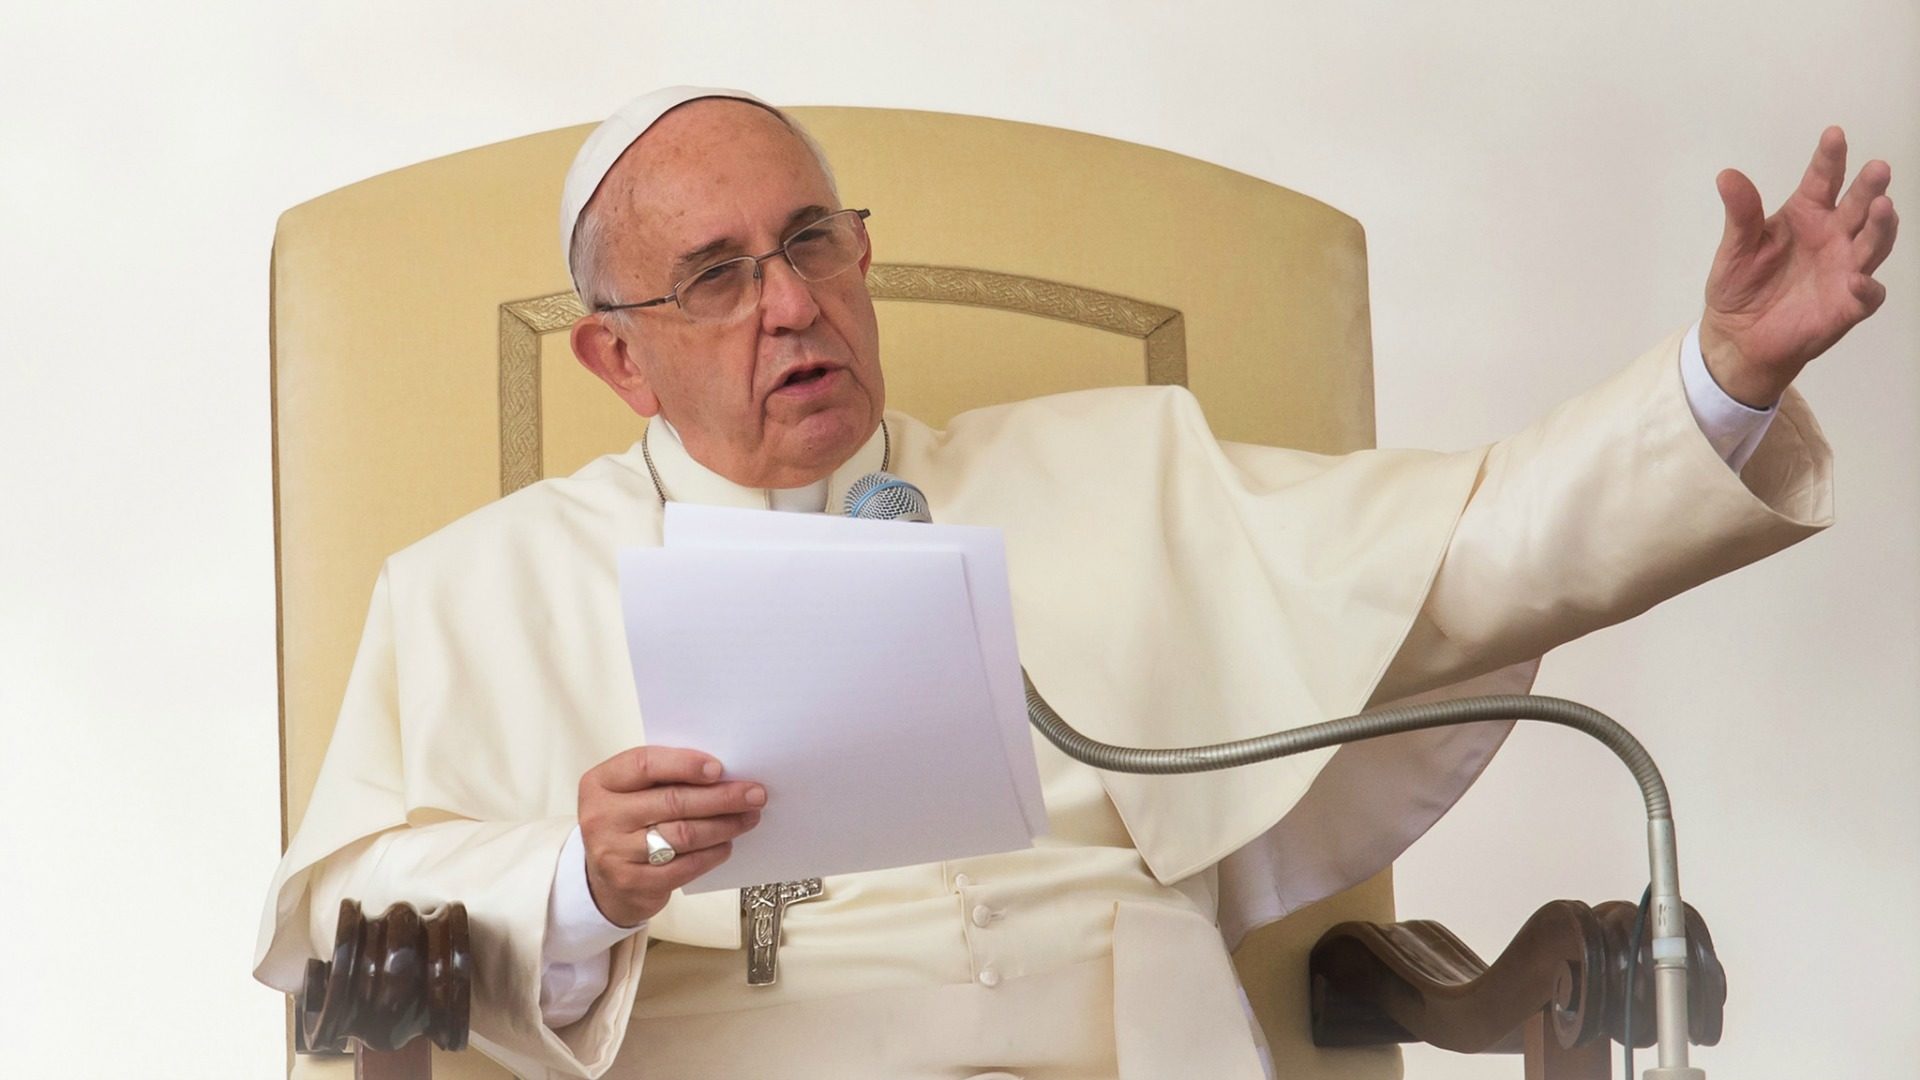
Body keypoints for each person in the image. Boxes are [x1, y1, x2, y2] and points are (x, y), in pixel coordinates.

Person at [254, 86, 1897, 1079]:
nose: (791, 304)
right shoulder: (481, 588)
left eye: (814, 242)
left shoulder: (1114, 471)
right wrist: (577, 883)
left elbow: (1467, 558)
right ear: (616, 358)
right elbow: (345, 905)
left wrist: (1719, 380)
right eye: (715, 278)